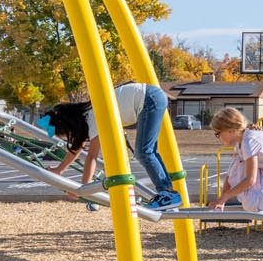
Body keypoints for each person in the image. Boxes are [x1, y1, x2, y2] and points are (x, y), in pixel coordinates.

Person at [44, 82, 182, 209]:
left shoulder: (93, 118)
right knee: (148, 151)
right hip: (151, 96)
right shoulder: (89, 112)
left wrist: (83, 189)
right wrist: (59, 169)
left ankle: (167, 194)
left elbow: (92, 157)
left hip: (148, 99)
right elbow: (76, 148)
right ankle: (167, 192)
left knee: (144, 152)